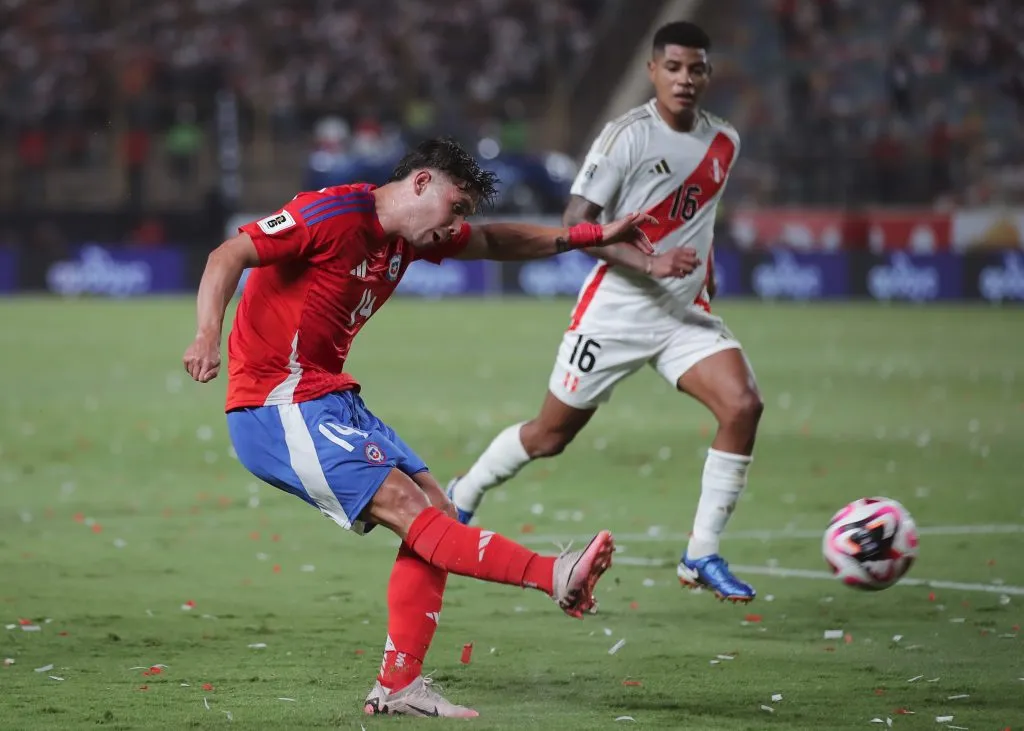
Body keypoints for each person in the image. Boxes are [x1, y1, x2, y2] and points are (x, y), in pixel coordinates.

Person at [182, 138, 656, 718]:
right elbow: (226, 256)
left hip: (325, 395)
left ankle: (398, 686)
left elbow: (492, 241)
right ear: (421, 184)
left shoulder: (408, 238)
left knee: (437, 507)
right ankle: (552, 574)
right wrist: (208, 334)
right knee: (411, 505)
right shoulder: (331, 214)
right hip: (274, 404)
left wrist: (590, 237)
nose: (456, 225)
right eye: (455, 207)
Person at [447, 22, 764, 604]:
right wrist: (650, 264)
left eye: (695, 69)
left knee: (742, 405)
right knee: (548, 437)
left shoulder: (725, 143)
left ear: (707, 75)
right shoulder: (625, 138)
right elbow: (575, 223)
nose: (685, 80)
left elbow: (702, 219)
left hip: (682, 315)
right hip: (615, 311)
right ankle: (464, 492)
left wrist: (703, 272)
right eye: (673, 68)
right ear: (653, 71)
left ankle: (701, 554)